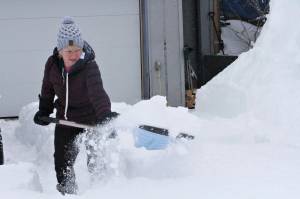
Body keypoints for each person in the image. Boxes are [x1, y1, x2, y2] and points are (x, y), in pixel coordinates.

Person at [33, 16, 118, 195]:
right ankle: (68, 192)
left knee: (96, 161)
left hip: (91, 118)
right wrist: (44, 110)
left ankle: (102, 192)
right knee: (62, 162)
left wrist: (104, 114)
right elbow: (47, 89)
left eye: (77, 50)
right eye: (69, 51)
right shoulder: (52, 65)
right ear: (60, 51)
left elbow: (97, 92)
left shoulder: (89, 66)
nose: (73, 55)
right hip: (66, 120)